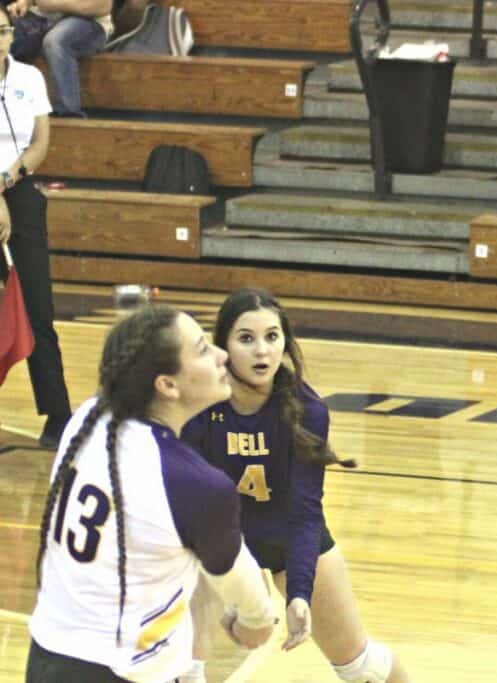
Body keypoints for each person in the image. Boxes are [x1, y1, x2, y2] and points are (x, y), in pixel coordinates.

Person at [27, 305, 277, 682]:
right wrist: (257, 621)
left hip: (46, 657)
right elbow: (239, 582)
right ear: (167, 385)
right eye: (203, 349)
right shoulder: (191, 484)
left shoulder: (88, 417)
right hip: (120, 672)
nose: (222, 355)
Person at [182, 288, 412, 683]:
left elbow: (305, 515)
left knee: (363, 669)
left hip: (287, 539)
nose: (261, 351)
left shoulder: (307, 410)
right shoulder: (201, 407)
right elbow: (185, 503)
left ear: (285, 343)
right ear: (223, 347)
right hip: (219, 544)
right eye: (246, 338)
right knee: (182, 670)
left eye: (272, 337)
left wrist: (300, 594)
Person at [0, 4, 71, 449]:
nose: (1, 35)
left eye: (3, 28)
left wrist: (6, 183)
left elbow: (41, 142)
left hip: (20, 192)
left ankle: (59, 414)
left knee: (37, 307)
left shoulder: (28, 78)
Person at [7, 0, 117, 118]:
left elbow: (103, 6)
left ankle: (68, 114)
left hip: (90, 22)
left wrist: (55, 5)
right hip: (42, 18)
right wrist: (25, 3)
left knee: (55, 41)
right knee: (6, 34)